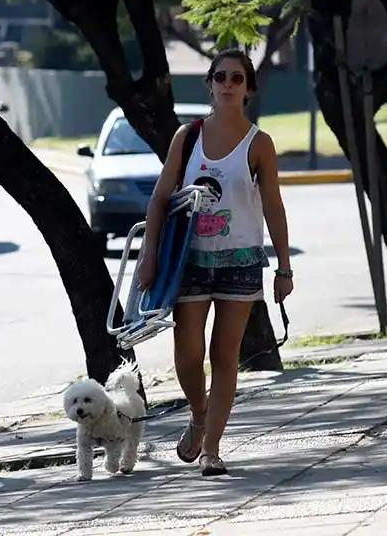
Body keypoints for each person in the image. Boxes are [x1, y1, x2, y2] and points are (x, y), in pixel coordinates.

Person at [138, 48, 293, 476]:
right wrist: (148, 256)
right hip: (189, 261)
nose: (227, 84)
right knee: (188, 356)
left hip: (241, 260)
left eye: (237, 78)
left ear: (248, 88)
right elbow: (160, 199)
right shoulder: (187, 137)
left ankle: (212, 448)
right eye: (220, 76)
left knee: (225, 356)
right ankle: (199, 414)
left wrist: (284, 266)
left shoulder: (259, 144)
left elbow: (274, 207)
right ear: (209, 83)